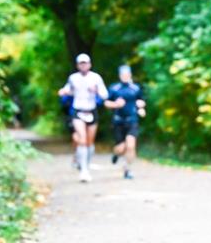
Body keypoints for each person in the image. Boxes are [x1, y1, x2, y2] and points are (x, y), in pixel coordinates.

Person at [58, 53, 108, 183]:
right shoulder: (73, 78)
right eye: (81, 63)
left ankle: (85, 163)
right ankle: (84, 171)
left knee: (90, 142)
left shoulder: (96, 78)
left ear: (90, 64)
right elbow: (66, 90)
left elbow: (105, 95)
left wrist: (96, 90)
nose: (83, 65)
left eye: (85, 63)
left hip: (91, 110)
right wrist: (63, 92)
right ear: (77, 65)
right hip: (78, 111)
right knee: (82, 139)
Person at [104, 64, 147, 180]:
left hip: (132, 120)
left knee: (131, 145)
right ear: (119, 76)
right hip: (118, 121)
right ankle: (116, 153)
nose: (125, 77)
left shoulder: (135, 88)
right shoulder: (114, 88)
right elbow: (106, 103)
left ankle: (128, 170)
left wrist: (141, 107)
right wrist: (115, 104)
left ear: (130, 75)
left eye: (127, 74)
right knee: (121, 147)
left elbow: (141, 101)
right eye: (123, 75)